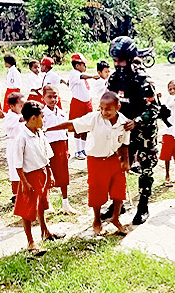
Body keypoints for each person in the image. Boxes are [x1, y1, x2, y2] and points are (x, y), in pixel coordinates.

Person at [48, 92, 131, 235]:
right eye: (101, 108)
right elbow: (73, 125)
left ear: (118, 106)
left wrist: (126, 161)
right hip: (96, 160)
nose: (104, 112)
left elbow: (124, 144)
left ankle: (115, 218)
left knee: (119, 189)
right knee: (97, 191)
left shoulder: (124, 123)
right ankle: (96, 220)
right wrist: (49, 129)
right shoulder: (94, 118)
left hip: (114, 159)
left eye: (108, 109)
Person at [107, 36, 160, 225]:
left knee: (146, 170)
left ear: (130, 59)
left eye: (120, 60)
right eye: (114, 60)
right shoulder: (114, 79)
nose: (117, 64)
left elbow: (155, 109)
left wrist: (137, 121)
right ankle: (117, 205)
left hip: (143, 131)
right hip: (122, 131)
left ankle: (143, 206)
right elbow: (109, 103)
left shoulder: (143, 79)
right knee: (116, 168)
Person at [12, 101, 65, 253]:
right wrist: (25, 182)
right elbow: (18, 164)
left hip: (43, 172)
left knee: (42, 204)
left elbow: (46, 154)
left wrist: (50, 173)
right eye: (42, 117)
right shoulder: (22, 138)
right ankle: (30, 241)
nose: (44, 120)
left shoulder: (40, 133)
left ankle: (45, 231)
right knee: (28, 210)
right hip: (30, 176)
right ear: (33, 118)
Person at [41, 85, 75, 214]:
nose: (53, 99)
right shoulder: (43, 114)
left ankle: (65, 202)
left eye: (55, 96)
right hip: (49, 147)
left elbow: (65, 132)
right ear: (43, 97)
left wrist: (67, 148)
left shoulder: (61, 113)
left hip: (61, 147)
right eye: (49, 97)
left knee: (63, 175)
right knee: (48, 175)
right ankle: (47, 203)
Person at [68, 53, 98, 160]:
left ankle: (83, 149)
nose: (85, 67)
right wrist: (93, 76)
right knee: (77, 126)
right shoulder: (74, 74)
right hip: (78, 103)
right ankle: (77, 150)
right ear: (77, 66)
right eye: (83, 64)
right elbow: (81, 76)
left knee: (86, 126)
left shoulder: (84, 77)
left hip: (87, 103)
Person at [4, 92, 25, 203]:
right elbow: (21, 119)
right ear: (12, 106)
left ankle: (23, 193)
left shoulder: (18, 115)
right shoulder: (10, 116)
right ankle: (15, 194)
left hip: (22, 145)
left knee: (23, 168)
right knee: (14, 170)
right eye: (21, 105)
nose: (23, 108)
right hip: (13, 146)